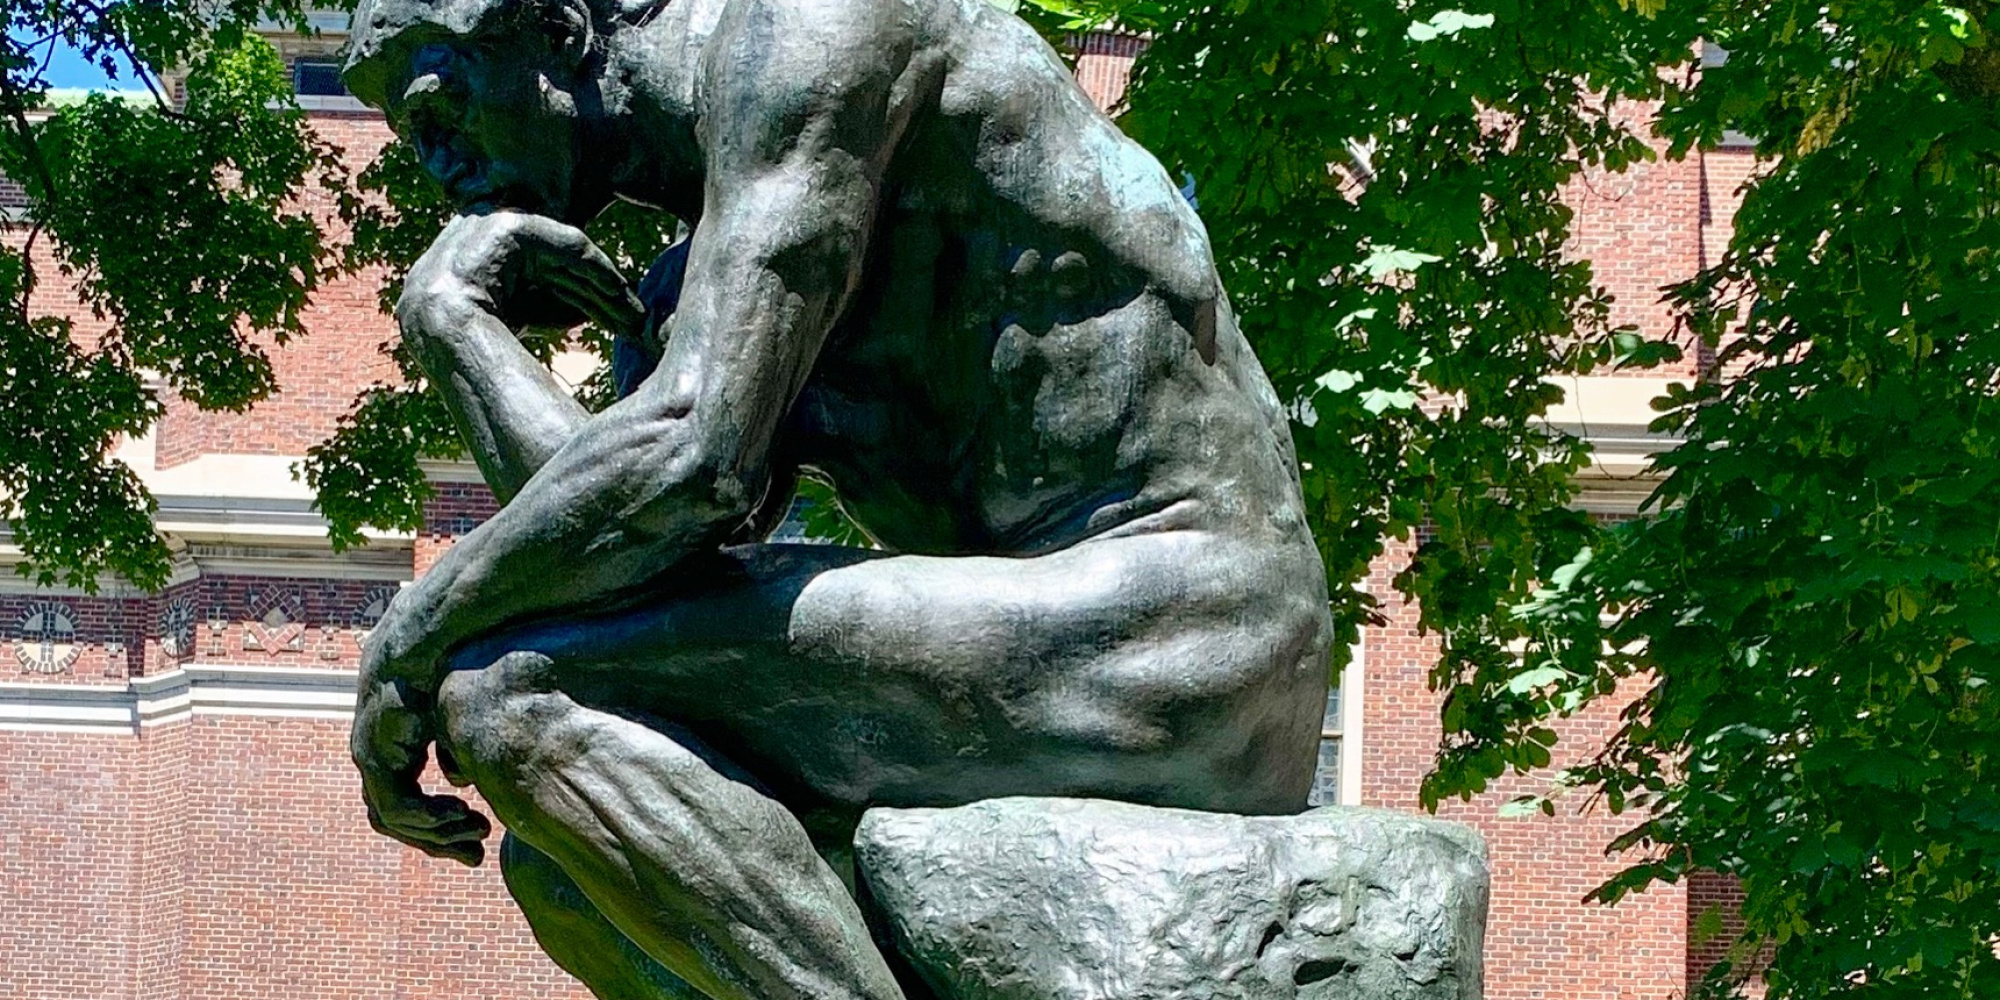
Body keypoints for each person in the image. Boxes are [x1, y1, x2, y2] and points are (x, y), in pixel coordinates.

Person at [341, 0, 1332, 995]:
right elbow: (609, 561)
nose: (438, 165)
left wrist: (412, 634)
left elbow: (692, 462)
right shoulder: (703, 274)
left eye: (441, 108)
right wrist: (454, 323)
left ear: (557, 31)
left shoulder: (816, 31)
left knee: (510, 695)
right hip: (1046, 643)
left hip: (1196, 621)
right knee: (566, 859)